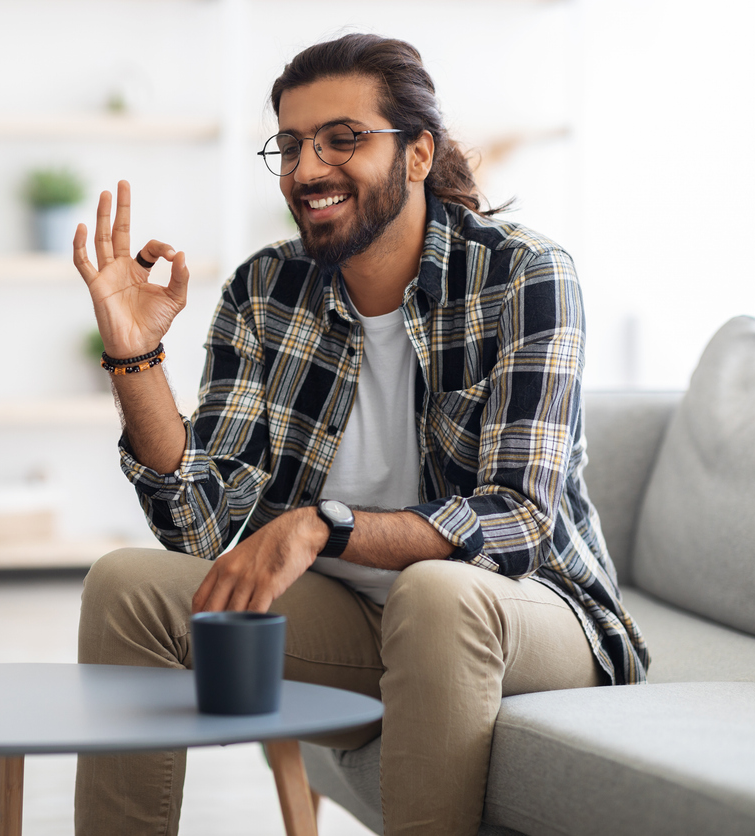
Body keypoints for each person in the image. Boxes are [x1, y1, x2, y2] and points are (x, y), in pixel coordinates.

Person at [70, 33, 649, 836]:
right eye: (293, 145)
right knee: (126, 586)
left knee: (437, 592)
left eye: (343, 139)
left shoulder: (524, 274)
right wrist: (136, 355)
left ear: (418, 154)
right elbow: (198, 526)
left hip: (533, 616)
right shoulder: (265, 289)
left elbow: (517, 522)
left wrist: (321, 528)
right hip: (354, 622)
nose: (307, 170)